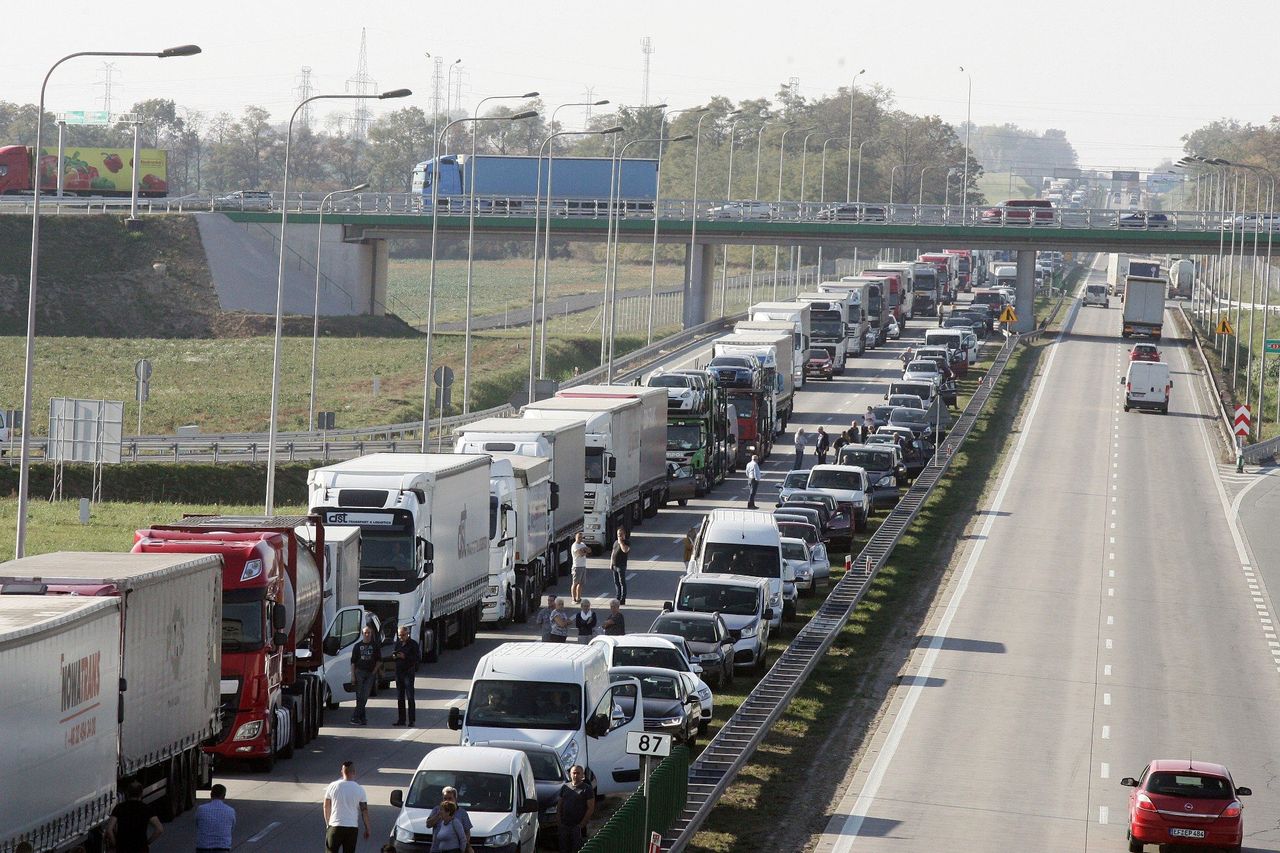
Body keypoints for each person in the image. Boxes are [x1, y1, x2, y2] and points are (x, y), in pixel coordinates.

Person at [323, 761, 371, 853]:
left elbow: (326, 806)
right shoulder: (360, 789)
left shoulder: (332, 786)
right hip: (352, 828)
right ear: (354, 772)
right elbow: (364, 811)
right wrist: (367, 828)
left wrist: (328, 824)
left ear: (342, 772)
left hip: (335, 826)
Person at [106, 781, 162, 853]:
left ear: (127, 793)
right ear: (141, 794)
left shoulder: (119, 808)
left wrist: (115, 844)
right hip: (141, 848)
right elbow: (159, 829)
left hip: (123, 848)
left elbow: (109, 830)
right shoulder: (146, 809)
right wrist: (147, 842)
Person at [557, 764, 595, 853]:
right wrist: (559, 821)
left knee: (577, 849)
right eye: (574, 773)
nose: (575, 775)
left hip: (578, 827)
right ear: (570, 774)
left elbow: (591, 808)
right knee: (564, 849)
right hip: (565, 825)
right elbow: (559, 805)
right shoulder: (565, 787)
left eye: (578, 773)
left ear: (582, 775)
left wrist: (581, 825)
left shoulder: (587, 789)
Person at [349, 624, 380, 726]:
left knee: (365, 696)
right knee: (359, 696)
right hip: (359, 672)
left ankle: (359, 717)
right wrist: (353, 676)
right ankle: (358, 717)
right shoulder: (357, 646)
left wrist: (374, 672)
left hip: (370, 673)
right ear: (362, 634)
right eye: (365, 633)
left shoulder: (375, 646)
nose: (367, 635)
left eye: (369, 633)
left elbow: (379, 661)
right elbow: (353, 662)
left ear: (371, 634)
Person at [425, 787, 472, 853]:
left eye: (450, 798)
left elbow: (467, 832)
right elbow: (428, 825)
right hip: (436, 849)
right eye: (445, 798)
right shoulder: (436, 810)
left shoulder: (462, 813)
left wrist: (464, 848)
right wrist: (439, 815)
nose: (447, 801)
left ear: (455, 799)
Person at [392, 624, 421, 727]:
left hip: (408, 672)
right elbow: (394, 653)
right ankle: (401, 719)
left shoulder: (413, 644)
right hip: (399, 672)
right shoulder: (398, 644)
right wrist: (395, 656)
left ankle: (411, 720)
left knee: (410, 696)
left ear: (408, 634)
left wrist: (405, 656)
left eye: (403, 635)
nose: (401, 637)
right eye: (400, 635)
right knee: (400, 697)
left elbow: (417, 658)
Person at [194, 783, 235, 853]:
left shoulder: (201, 809)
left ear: (211, 794)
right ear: (224, 796)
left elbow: (197, 824)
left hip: (203, 848)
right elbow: (232, 828)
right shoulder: (230, 811)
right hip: (223, 849)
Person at [610, 527, 631, 605]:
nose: (619, 536)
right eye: (618, 534)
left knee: (622, 582)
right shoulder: (615, 542)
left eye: (621, 534)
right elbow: (613, 553)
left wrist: (621, 542)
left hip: (621, 566)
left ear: (624, 534)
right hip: (615, 565)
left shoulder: (626, 542)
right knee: (616, 582)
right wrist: (611, 563)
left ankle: (623, 598)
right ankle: (618, 597)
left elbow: (625, 550)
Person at [570, 532, 590, 604]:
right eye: (579, 537)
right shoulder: (574, 545)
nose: (580, 538)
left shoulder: (582, 544)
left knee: (581, 583)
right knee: (575, 583)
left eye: (581, 537)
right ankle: (573, 599)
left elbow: (589, 550)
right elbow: (580, 554)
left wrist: (584, 550)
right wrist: (584, 551)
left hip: (583, 566)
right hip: (577, 566)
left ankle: (578, 598)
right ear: (576, 538)